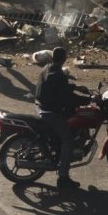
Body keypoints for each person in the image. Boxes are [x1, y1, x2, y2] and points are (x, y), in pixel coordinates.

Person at [35, 47, 90, 190]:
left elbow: (60, 87)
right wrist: (87, 100)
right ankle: (63, 177)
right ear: (64, 59)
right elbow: (67, 97)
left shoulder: (48, 68)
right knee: (68, 140)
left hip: (42, 106)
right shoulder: (56, 73)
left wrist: (76, 87)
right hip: (50, 111)